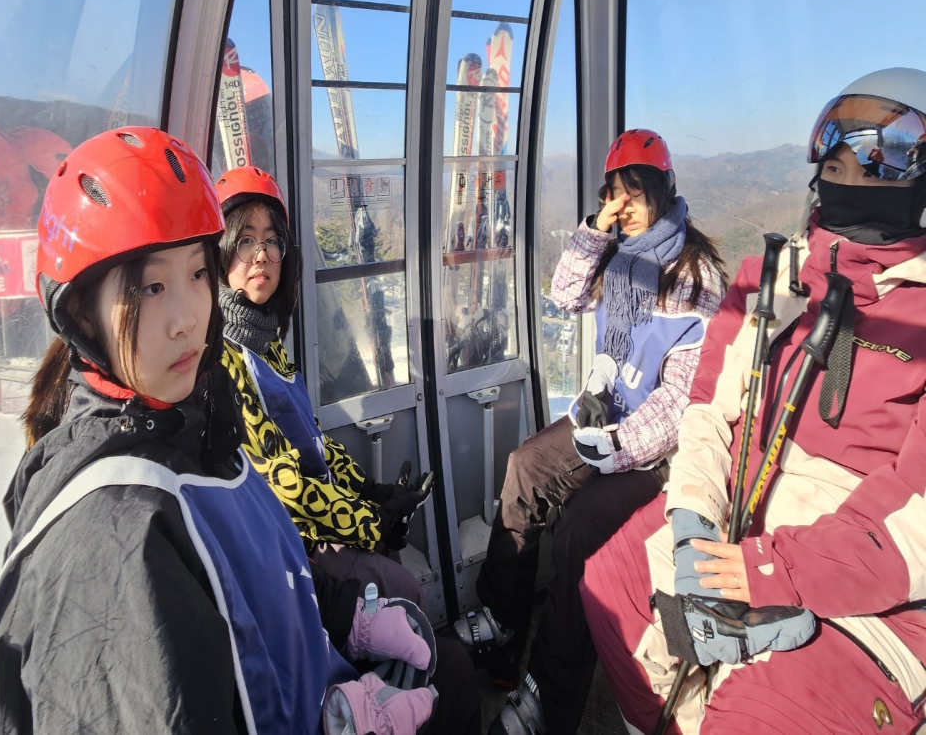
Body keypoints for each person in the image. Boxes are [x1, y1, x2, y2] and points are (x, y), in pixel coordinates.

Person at [0, 128, 437, 735]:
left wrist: (340, 611)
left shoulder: (195, 420)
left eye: (196, 275)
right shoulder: (114, 546)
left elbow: (245, 553)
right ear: (81, 313)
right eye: (151, 286)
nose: (187, 319)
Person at [580, 68, 926, 735]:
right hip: (738, 502)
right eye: (839, 158)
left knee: (757, 716)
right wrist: (692, 525)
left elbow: (914, 524)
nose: (852, 177)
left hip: (865, 572)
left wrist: (769, 571)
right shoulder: (772, 282)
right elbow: (709, 412)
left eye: (880, 163)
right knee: (607, 588)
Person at [460, 129, 727, 734]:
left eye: (636, 193)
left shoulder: (695, 279)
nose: (624, 205)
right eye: (615, 192)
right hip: (603, 417)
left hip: (654, 451)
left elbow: (681, 400)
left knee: (580, 531)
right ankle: (503, 621)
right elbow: (565, 293)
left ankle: (548, 698)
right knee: (525, 468)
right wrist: (595, 227)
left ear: (664, 192)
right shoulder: (617, 252)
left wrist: (621, 447)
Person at [214, 165, 481, 735]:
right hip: (290, 547)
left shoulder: (267, 344)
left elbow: (310, 443)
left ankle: (403, 693)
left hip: (313, 531)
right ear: (218, 254)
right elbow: (280, 480)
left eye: (271, 241)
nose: (260, 255)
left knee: (401, 585)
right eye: (244, 240)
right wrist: (368, 523)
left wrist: (370, 489)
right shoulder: (226, 359)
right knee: (404, 588)